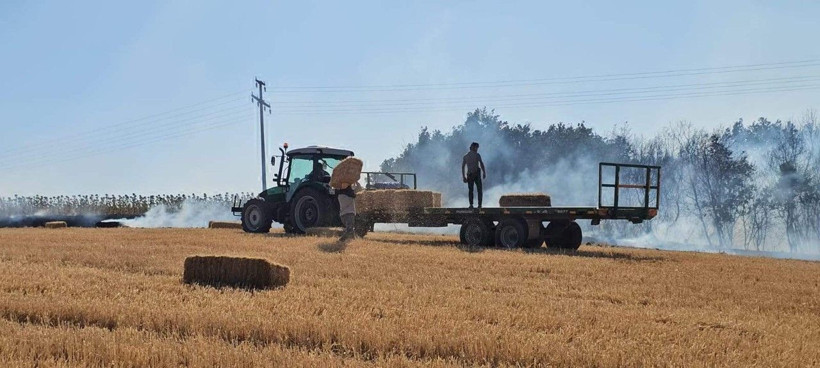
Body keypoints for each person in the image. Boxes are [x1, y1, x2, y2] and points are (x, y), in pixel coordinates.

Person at [462, 142, 486, 208]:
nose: (477, 149)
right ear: (473, 147)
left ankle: (473, 204)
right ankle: (477, 205)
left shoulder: (466, 156)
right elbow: (481, 163)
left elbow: (463, 167)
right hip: (475, 174)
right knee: (478, 190)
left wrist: (464, 176)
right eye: (476, 148)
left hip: (470, 174)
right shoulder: (476, 155)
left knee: (471, 190)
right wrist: (484, 172)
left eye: (477, 148)